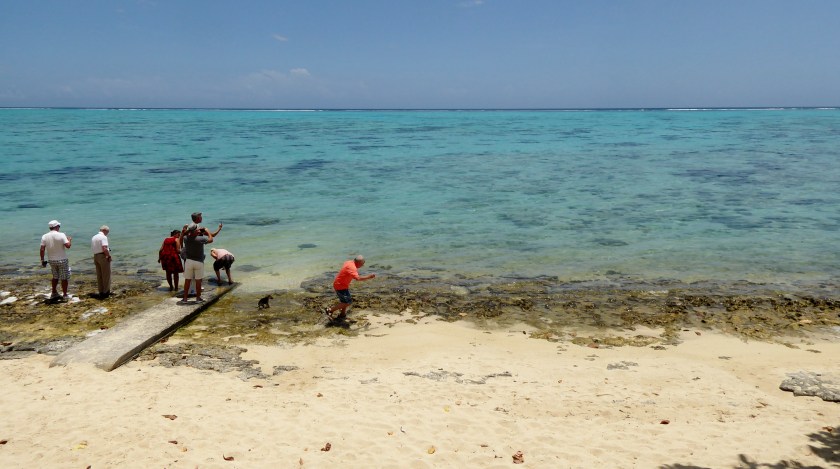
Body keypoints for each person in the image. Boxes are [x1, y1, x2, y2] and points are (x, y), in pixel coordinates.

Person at [325, 255, 376, 320]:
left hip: (341, 284)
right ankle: (330, 310)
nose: (362, 266)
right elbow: (358, 278)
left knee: (344, 301)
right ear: (358, 263)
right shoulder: (352, 268)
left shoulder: (349, 262)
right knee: (347, 302)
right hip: (340, 286)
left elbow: (347, 271)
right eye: (362, 264)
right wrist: (369, 277)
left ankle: (342, 314)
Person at [39, 220, 73, 301]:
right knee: (64, 278)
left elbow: (42, 249)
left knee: (55, 277)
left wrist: (42, 260)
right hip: (62, 259)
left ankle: (54, 292)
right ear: (56, 227)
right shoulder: (61, 235)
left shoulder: (44, 236)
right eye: (59, 226)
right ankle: (65, 295)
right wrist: (69, 239)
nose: (59, 228)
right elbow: (68, 246)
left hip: (51, 260)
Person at [180, 223, 213, 304]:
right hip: (199, 262)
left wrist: (185, 230)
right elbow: (211, 240)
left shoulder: (185, 238)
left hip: (188, 261)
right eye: (197, 229)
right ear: (196, 230)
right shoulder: (200, 239)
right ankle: (198, 298)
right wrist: (207, 231)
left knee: (187, 280)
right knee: (198, 281)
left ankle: (185, 299)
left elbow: (182, 236)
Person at [90, 225, 112, 298]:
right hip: (102, 256)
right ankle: (106, 292)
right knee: (106, 275)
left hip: (96, 256)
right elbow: (104, 248)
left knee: (99, 275)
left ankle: (101, 291)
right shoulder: (103, 237)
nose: (107, 234)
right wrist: (108, 256)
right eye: (107, 232)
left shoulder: (94, 237)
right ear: (105, 230)